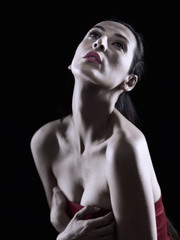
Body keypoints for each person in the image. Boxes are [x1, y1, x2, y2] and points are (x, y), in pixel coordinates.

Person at [30, 17, 179, 240]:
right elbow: (66, 226)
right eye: (94, 35)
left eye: (118, 44)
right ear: (72, 61)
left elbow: (67, 232)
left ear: (129, 82)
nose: (100, 43)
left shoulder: (125, 147)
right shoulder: (45, 141)